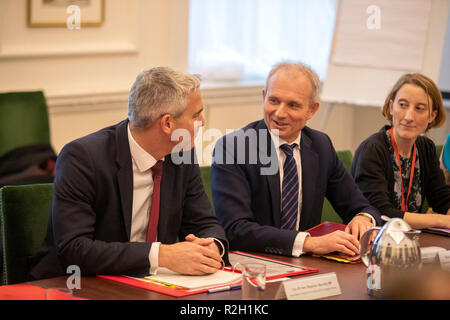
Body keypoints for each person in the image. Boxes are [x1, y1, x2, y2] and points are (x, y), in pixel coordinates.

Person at [29, 67, 228, 280]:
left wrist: (212, 246)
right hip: (77, 284)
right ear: (167, 123)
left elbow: (204, 223)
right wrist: (161, 255)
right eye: (196, 115)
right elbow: (75, 249)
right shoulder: (82, 158)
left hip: (153, 283)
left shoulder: (181, 154)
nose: (203, 122)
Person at [211, 62, 382, 258]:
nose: (280, 113)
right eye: (274, 101)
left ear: (312, 110)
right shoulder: (234, 147)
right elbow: (236, 229)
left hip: (308, 267)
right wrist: (309, 243)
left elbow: (360, 205)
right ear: (263, 97)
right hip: (253, 265)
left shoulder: (321, 145)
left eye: (293, 105)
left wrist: (363, 218)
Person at [351, 73, 450, 230]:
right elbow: (380, 213)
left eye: (419, 108)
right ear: (391, 107)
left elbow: (442, 200)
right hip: (373, 242)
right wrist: (439, 220)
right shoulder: (372, 149)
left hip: (410, 242)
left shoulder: (425, 148)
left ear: (432, 115)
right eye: (402, 105)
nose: (409, 116)